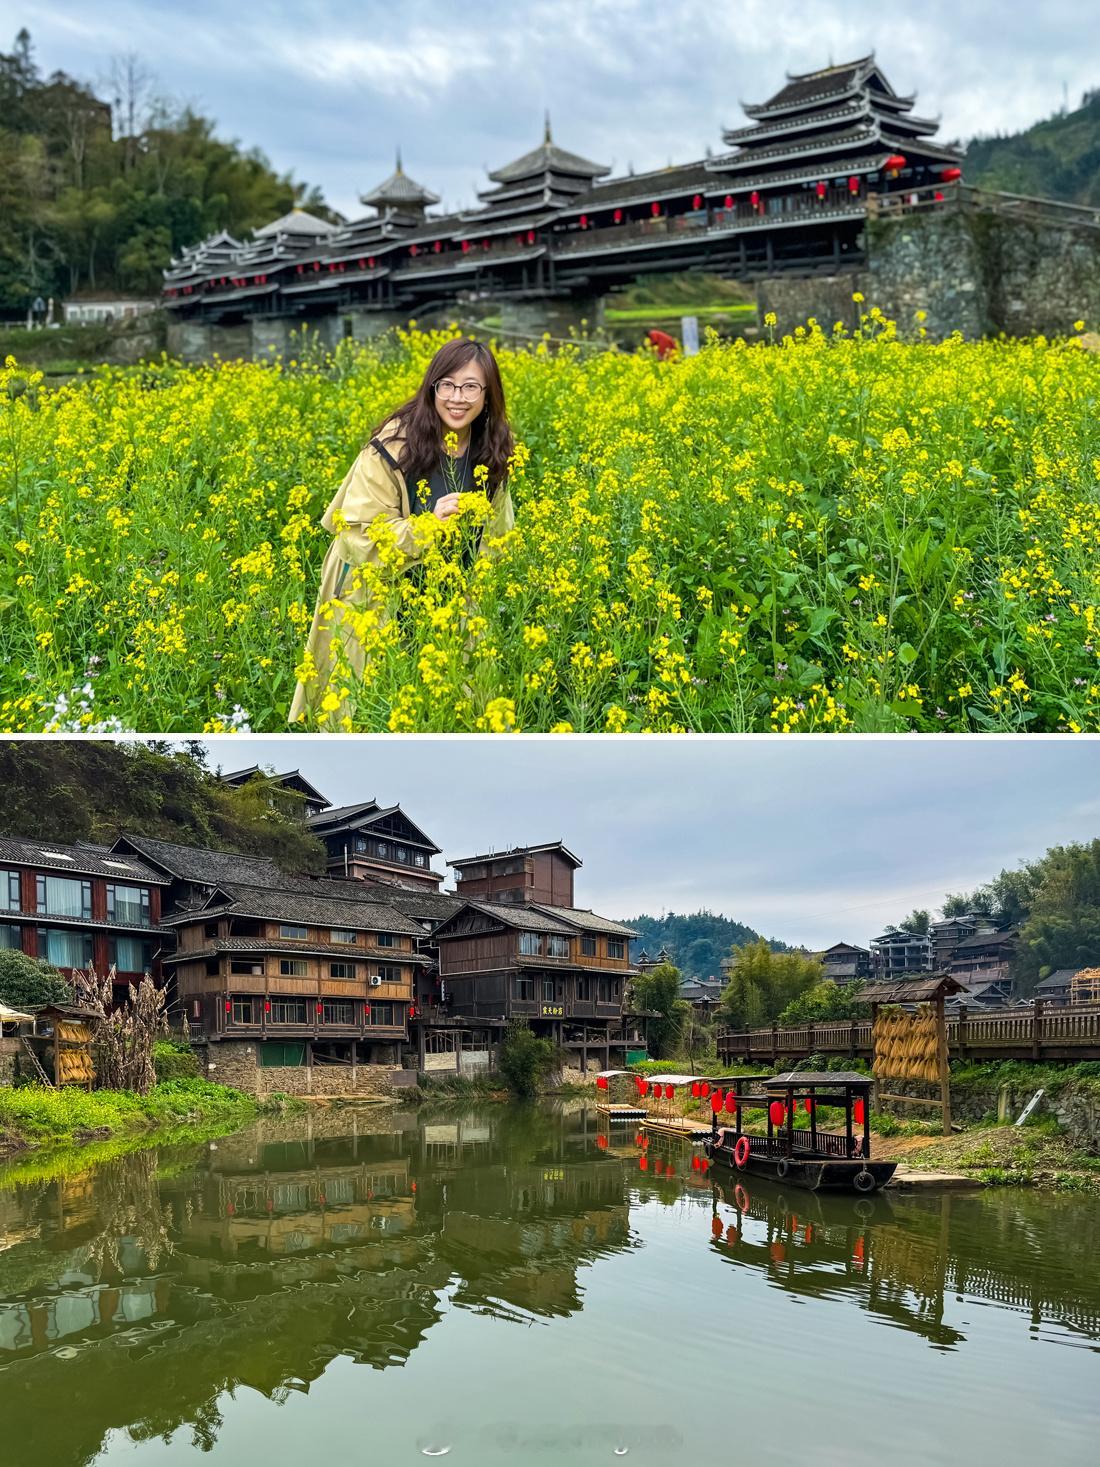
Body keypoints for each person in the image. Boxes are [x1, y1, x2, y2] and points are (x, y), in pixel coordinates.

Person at [289, 337, 514, 723]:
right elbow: (359, 534)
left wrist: (485, 590)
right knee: (369, 707)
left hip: (450, 602)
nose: (458, 398)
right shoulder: (392, 445)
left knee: (456, 710)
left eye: (471, 386)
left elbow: (499, 536)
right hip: (377, 596)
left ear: (488, 394)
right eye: (448, 385)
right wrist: (427, 527)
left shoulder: (491, 449)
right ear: (432, 387)